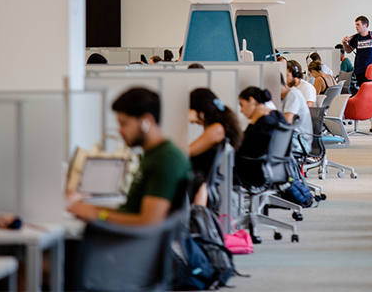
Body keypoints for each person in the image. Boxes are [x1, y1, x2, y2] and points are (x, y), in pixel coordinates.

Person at [66, 88, 191, 225]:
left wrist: (97, 215)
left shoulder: (166, 159)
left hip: (129, 243)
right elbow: (130, 211)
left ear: (146, 121)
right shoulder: (151, 155)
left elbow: (149, 222)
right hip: (125, 239)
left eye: (124, 124)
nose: (120, 130)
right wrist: (85, 208)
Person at [188, 88, 243, 206]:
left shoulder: (216, 129)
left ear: (200, 110)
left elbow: (188, 152)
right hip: (200, 179)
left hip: (198, 181)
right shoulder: (218, 126)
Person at [235, 87, 288, 187]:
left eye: (242, 105)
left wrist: (252, 122)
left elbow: (243, 147)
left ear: (252, 101)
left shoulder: (262, 123)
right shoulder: (278, 116)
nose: (241, 110)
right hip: (275, 169)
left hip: (255, 172)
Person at [341, 15, 372, 132]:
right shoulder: (355, 38)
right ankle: (369, 118)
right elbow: (348, 50)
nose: (356, 27)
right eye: (355, 25)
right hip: (360, 71)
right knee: (364, 97)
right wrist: (344, 43)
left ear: (365, 25)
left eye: (358, 24)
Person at [279, 74, 312, 152]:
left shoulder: (293, 94)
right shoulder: (284, 97)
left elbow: (286, 121)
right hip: (293, 137)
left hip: (300, 142)